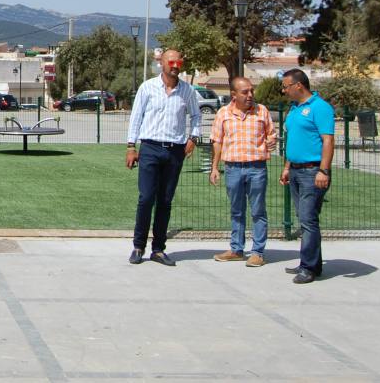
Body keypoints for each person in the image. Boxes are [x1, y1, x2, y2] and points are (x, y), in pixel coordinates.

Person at [126, 49, 202, 266]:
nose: (175, 66)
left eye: (178, 62)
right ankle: (138, 246)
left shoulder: (186, 90)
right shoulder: (147, 87)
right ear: (162, 63)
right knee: (146, 198)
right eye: (171, 62)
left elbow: (196, 115)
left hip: (174, 151)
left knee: (165, 201)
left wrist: (193, 137)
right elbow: (136, 117)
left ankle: (158, 249)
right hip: (150, 148)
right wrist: (131, 146)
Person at [209, 76, 277, 267]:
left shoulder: (261, 111)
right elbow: (217, 141)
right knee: (236, 211)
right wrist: (215, 167)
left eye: (251, 91)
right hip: (232, 168)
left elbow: (271, 135)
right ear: (234, 94)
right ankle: (236, 249)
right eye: (245, 92)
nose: (250, 95)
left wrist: (272, 141)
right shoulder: (223, 113)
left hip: (257, 168)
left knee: (258, 210)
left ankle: (257, 252)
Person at [278, 68, 335, 284]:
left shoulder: (320, 108)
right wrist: (286, 167)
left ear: (298, 85)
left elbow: (328, 141)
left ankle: (308, 267)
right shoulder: (293, 110)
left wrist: (324, 170)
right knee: (305, 218)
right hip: (295, 170)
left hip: (313, 171)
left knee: (308, 219)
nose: (284, 91)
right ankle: (312, 263)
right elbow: (293, 141)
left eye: (286, 86)